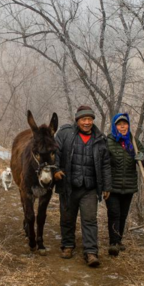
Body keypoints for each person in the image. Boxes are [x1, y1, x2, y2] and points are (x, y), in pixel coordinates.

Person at [53, 105, 112, 267]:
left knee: (90, 219)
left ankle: (91, 252)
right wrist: (56, 170)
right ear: (77, 120)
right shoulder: (65, 134)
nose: (87, 122)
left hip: (90, 188)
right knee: (67, 218)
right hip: (69, 185)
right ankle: (67, 245)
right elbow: (55, 153)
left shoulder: (100, 139)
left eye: (90, 119)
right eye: (84, 119)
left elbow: (106, 164)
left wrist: (107, 186)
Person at [105, 113, 144, 256]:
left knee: (123, 215)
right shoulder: (109, 141)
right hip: (112, 185)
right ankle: (113, 243)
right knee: (114, 213)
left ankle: (118, 240)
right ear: (114, 126)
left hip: (128, 185)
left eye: (125, 124)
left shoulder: (133, 142)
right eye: (119, 124)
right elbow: (103, 162)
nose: (122, 126)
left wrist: (142, 157)